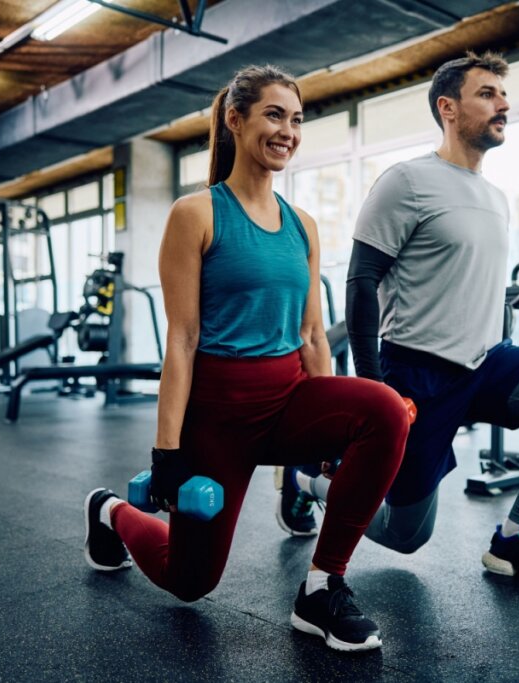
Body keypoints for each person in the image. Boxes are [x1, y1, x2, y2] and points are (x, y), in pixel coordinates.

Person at [82, 65, 411, 652]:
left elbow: (313, 334)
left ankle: (322, 585)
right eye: (274, 115)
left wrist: (329, 441)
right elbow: (180, 341)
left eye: (297, 119)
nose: (288, 130)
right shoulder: (197, 215)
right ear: (236, 120)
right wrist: (166, 456)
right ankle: (109, 511)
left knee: (383, 408)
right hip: (219, 419)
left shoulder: (302, 225)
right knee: (190, 582)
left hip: (288, 401)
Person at [275, 52, 519, 590]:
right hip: (419, 373)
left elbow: (486, 289)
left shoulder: (497, 199)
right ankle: (305, 482)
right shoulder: (407, 181)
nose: (503, 103)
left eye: (504, 94)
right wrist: (374, 386)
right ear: (447, 108)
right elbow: (361, 282)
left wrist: (509, 350)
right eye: (487, 94)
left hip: (487, 362)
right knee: (407, 536)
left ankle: (517, 534)